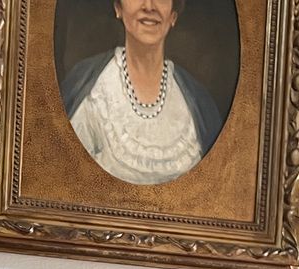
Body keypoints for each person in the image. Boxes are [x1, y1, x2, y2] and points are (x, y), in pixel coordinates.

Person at [61, 0, 225, 185]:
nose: (149, 6)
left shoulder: (198, 103)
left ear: (173, 15)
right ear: (118, 8)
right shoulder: (90, 92)